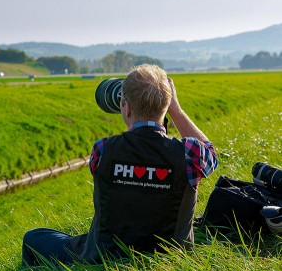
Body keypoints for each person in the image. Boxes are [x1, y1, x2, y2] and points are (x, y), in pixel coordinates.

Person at [22, 64, 219, 266]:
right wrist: (176, 111)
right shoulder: (189, 154)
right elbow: (212, 153)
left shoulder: (103, 149)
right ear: (167, 105)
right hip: (172, 259)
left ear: (126, 106)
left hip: (102, 255)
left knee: (34, 238)